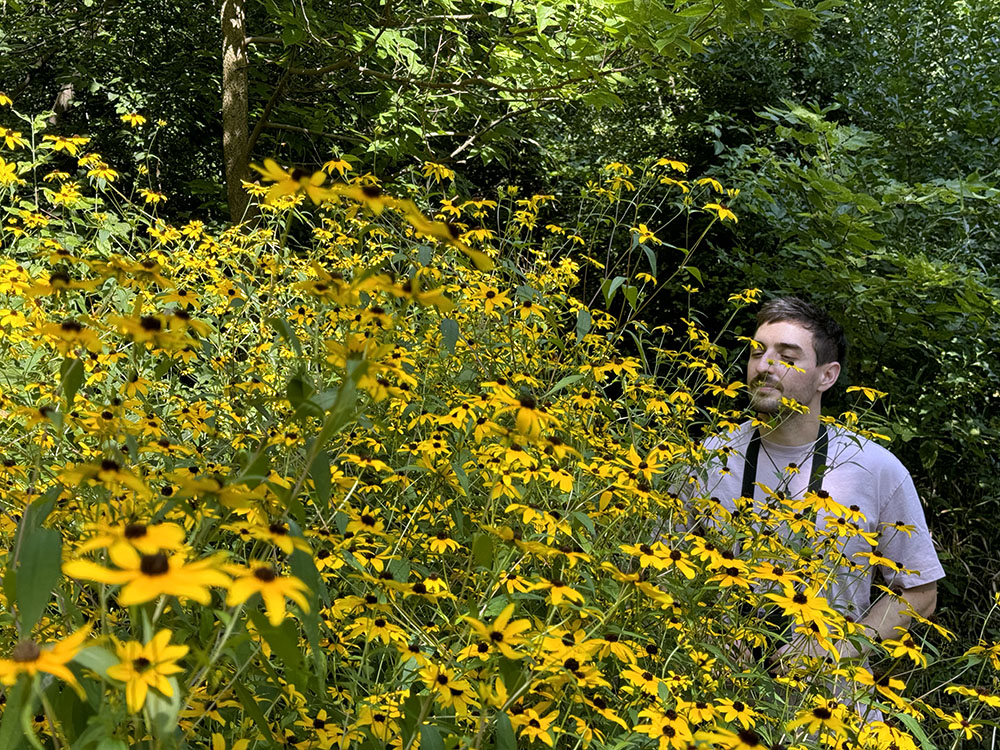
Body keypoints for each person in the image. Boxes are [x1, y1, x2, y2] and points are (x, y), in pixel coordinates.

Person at [689, 296, 944, 665]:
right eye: (757, 352)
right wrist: (704, 630)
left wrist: (837, 651)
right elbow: (658, 569)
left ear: (827, 375)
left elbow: (921, 592)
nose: (765, 366)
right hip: (704, 699)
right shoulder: (708, 457)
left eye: (788, 358)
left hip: (826, 706)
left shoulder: (875, 468)